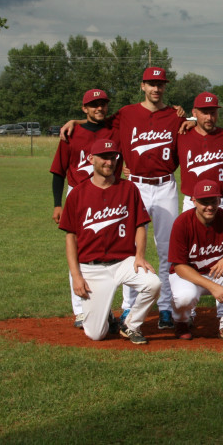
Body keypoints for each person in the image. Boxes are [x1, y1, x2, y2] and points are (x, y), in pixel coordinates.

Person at [63, 67, 184, 329]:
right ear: (142, 85)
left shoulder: (175, 115)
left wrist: (186, 117)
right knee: (129, 248)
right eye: (151, 84)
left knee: (166, 250)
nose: (156, 88)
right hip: (136, 184)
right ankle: (129, 306)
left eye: (160, 84)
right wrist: (76, 122)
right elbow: (98, 121)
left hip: (165, 186)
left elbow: (192, 128)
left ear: (165, 86)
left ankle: (165, 307)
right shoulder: (127, 113)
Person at [59, 139, 161, 344]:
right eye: (103, 157)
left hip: (123, 261)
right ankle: (106, 316)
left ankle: (130, 325)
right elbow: (70, 237)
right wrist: (76, 276)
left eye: (112, 157)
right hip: (92, 267)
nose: (109, 162)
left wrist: (140, 256)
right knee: (96, 335)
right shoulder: (77, 193)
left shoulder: (128, 188)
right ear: (91, 159)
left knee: (153, 283)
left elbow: (140, 225)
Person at [50, 88, 119, 328]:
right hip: (78, 195)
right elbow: (59, 170)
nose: (99, 108)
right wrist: (58, 203)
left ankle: (105, 307)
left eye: (102, 104)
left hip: (108, 195)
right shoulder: (72, 133)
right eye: (93, 105)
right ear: (84, 108)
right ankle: (80, 310)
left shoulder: (113, 130)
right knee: (77, 250)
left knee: (107, 251)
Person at [168, 180, 223, 342]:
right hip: (189, 276)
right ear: (194, 201)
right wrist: (213, 287)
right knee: (185, 296)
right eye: (204, 202)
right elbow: (179, 267)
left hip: (218, 273)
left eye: (214, 201)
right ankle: (182, 321)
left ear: (220, 200)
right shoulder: (182, 223)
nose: (210, 206)